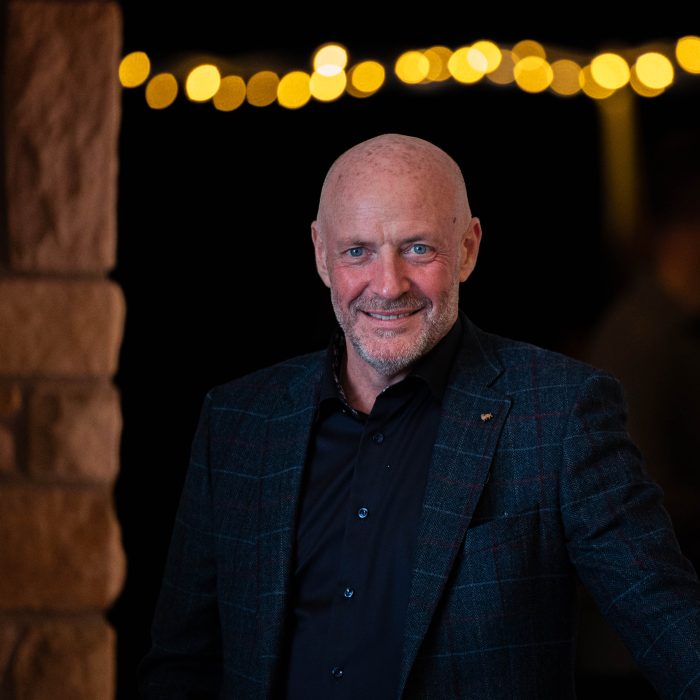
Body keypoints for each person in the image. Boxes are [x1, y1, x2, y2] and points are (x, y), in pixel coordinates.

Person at [138, 134, 700, 699]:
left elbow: (670, 626)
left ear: (468, 249)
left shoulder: (559, 412)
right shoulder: (237, 420)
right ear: (320, 254)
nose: (388, 286)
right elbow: (182, 666)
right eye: (357, 252)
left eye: (418, 249)